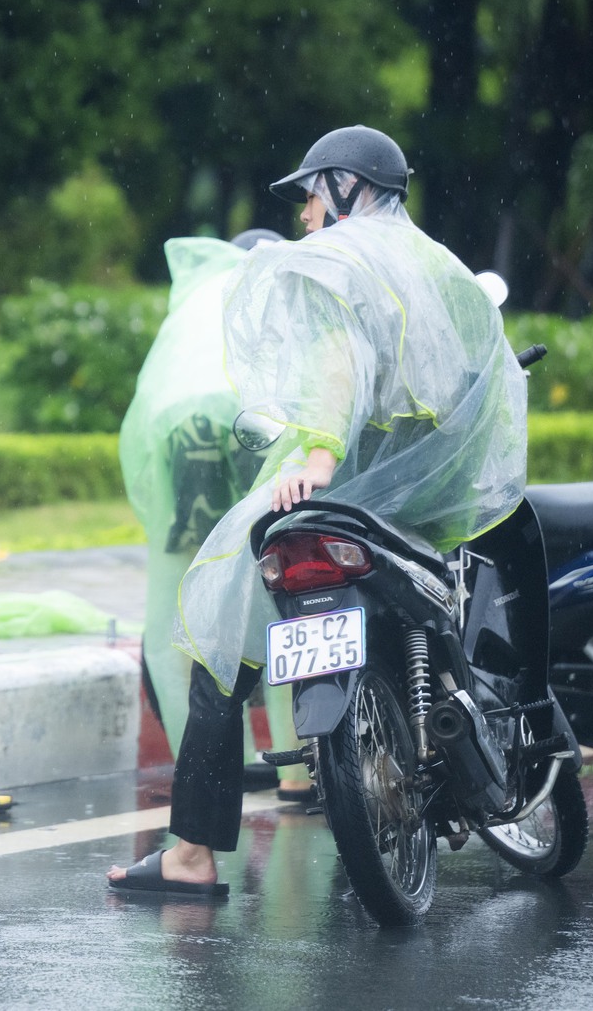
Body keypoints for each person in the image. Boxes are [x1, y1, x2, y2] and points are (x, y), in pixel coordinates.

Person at [108, 125, 526, 897]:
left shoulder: (337, 263)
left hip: (331, 495)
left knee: (215, 642)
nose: (304, 214)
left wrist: (317, 459)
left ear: (345, 187)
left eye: (310, 194)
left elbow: (335, 366)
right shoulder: (441, 270)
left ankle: (192, 855)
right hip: (422, 507)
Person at [117, 228, 311, 801]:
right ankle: (297, 771)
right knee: (282, 596)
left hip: (183, 427)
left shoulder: (199, 294)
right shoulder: (285, 285)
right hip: (258, 424)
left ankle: (205, 775)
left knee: (181, 613)